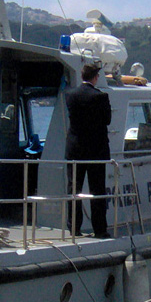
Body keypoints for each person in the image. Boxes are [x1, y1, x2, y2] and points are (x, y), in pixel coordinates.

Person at [64, 62, 112, 238]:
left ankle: (73, 228)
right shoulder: (100, 97)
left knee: (73, 189)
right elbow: (107, 120)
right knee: (97, 190)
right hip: (95, 150)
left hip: (75, 149)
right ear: (95, 77)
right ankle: (99, 229)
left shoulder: (70, 95)